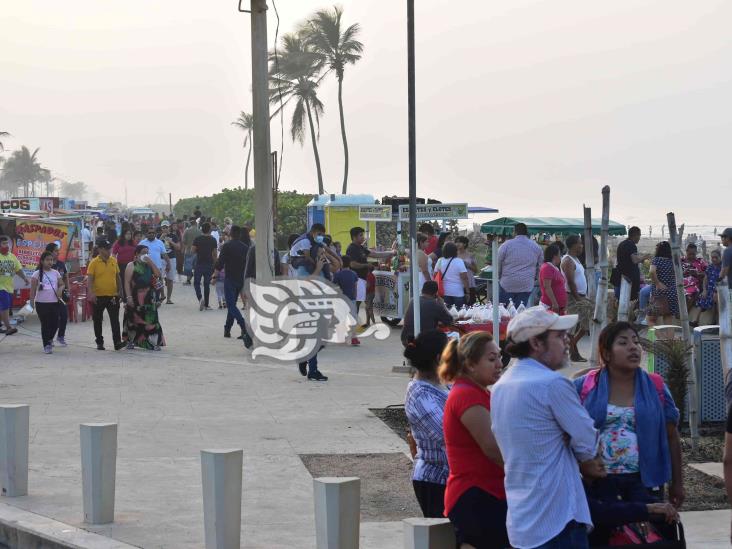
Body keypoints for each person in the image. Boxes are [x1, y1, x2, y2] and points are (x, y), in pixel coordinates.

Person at [491, 306, 606, 549]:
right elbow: (588, 442)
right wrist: (573, 444)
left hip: (523, 517)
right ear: (536, 343)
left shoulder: (502, 385)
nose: (567, 341)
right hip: (557, 518)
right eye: (558, 335)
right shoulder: (552, 383)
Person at [573, 322, 684, 523]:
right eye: (623, 343)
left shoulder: (655, 386)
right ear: (606, 354)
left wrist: (678, 482)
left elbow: (671, 436)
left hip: (642, 482)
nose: (633, 347)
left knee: (643, 537)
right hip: (596, 482)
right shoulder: (585, 386)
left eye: (636, 342)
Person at [440, 331, 509, 549]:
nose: (499, 364)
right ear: (470, 365)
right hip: (476, 494)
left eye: (499, 357)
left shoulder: (479, 392)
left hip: (488, 491)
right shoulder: (466, 394)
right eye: (492, 359)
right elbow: (492, 448)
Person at [403, 330, 450, 518]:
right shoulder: (420, 394)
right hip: (435, 481)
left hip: (450, 479)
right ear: (439, 358)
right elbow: (448, 435)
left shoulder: (444, 383)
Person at [123, 245, 165, 350]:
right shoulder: (131, 265)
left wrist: (150, 262)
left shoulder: (149, 265)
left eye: (147, 252)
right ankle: (131, 341)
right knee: (133, 319)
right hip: (135, 296)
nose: (145, 255)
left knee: (151, 320)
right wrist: (128, 297)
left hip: (149, 297)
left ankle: (153, 342)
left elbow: (158, 274)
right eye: (143, 252)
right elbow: (127, 282)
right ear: (136, 254)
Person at [214, 225, 250, 343]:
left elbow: (220, 263)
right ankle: (227, 329)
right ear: (239, 234)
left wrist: (214, 275)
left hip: (230, 279)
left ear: (230, 234)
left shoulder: (227, 246)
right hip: (241, 280)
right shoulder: (245, 248)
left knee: (230, 305)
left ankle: (243, 324)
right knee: (232, 304)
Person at [87, 240, 125, 351]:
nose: (110, 251)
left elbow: (117, 277)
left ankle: (117, 342)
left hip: (113, 296)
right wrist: (91, 293)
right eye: (107, 249)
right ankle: (99, 342)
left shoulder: (113, 261)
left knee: (115, 320)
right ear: (100, 250)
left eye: (110, 248)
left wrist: (121, 290)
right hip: (98, 296)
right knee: (97, 320)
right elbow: (90, 280)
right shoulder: (93, 263)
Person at [561, 234, 594, 362]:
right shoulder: (567, 260)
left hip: (581, 296)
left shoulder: (576, 259)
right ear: (573, 245)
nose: (582, 246)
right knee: (573, 326)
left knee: (585, 325)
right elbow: (570, 281)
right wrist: (577, 298)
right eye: (580, 243)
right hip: (573, 297)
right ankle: (573, 352)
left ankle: (571, 346)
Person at [345, 227, 393, 314]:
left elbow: (374, 254)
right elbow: (352, 264)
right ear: (354, 237)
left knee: (359, 301)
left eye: (362, 235)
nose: (363, 237)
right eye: (360, 235)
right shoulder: (352, 248)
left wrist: (391, 253)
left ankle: (354, 321)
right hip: (356, 278)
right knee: (357, 302)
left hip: (362, 278)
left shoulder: (361, 247)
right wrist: (366, 265)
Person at [496, 222, 543, 307]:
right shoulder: (536, 246)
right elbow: (540, 267)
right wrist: (535, 278)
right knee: (520, 311)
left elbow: (498, 264)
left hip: (507, 283)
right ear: (526, 232)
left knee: (504, 312)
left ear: (515, 232)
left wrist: (499, 276)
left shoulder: (506, 245)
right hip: (526, 284)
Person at [30, 251, 65, 354]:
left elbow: (62, 284)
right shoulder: (36, 274)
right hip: (41, 303)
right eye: (47, 260)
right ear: (42, 261)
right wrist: (31, 302)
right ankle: (47, 345)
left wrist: (60, 289)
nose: (50, 262)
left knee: (55, 323)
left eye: (51, 260)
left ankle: (49, 339)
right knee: (45, 324)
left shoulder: (56, 272)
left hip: (54, 302)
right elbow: (32, 290)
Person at [401, 281, 453, 346]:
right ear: (435, 293)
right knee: (445, 339)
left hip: (406, 339)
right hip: (423, 341)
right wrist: (442, 304)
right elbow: (450, 320)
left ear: (422, 290)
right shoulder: (435, 304)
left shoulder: (413, 300)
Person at [613, 226, 650, 302]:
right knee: (630, 301)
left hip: (620, 275)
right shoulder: (631, 245)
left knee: (620, 300)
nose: (639, 238)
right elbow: (635, 260)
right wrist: (644, 257)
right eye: (639, 235)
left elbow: (625, 260)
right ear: (635, 235)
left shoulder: (622, 244)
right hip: (628, 279)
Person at [648, 241, 678, 325]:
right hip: (672, 293)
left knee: (650, 319)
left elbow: (652, 271)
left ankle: (654, 337)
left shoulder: (656, 260)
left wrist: (657, 283)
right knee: (668, 319)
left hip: (659, 294)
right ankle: (669, 338)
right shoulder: (673, 261)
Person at [333, 255, 361, 346]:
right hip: (352, 299)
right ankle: (354, 337)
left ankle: (342, 337)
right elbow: (355, 287)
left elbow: (335, 288)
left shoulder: (337, 275)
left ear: (341, 263)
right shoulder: (354, 274)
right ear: (350, 264)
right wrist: (355, 298)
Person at [45, 243, 70, 346]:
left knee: (64, 315)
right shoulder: (45, 265)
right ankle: (49, 339)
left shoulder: (61, 264)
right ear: (50, 252)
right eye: (56, 251)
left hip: (61, 295)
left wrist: (68, 289)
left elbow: (66, 276)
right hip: (49, 296)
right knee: (52, 319)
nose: (58, 252)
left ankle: (60, 337)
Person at [434, 242, 469, 309]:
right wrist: (467, 292)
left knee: (446, 314)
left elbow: (435, 275)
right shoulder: (459, 261)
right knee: (459, 314)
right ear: (455, 251)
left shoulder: (440, 261)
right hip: (458, 292)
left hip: (444, 292)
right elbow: (464, 278)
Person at [139, 227, 170, 301]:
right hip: (145, 268)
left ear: (155, 234)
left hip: (157, 268)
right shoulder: (142, 243)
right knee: (146, 285)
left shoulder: (160, 242)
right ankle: (148, 299)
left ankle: (157, 299)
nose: (151, 234)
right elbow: (137, 254)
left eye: (153, 233)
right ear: (147, 234)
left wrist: (168, 263)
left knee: (158, 284)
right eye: (149, 233)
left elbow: (164, 254)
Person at [192, 222, 218, 311]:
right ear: (209, 230)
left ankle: (200, 299)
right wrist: (215, 265)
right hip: (209, 264)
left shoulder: (197, 239)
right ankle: (207, 304)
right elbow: (215, 254)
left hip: (199, 263)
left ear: (201, 229)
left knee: (196, 283)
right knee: (207, 284)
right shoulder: (213, 240)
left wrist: (199, 252)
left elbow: (193, 250)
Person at [695, 249, 722, 323]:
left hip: (719, 290)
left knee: (716, 302)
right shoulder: (710, 267)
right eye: (712, 257)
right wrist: (704, 290)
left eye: (716, 257)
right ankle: (696, 320)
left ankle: (716, 323)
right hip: (709, 290)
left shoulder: (723, 267)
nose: (714, 259)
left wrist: (717, 291)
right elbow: (705, 279)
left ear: (720, 257)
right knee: (702, 298)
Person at [539, 243, 567, 314]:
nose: (561, 257)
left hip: (558, 306)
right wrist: (554, 303)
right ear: (555, 256)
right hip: (550, 306)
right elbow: (547, 287)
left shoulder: (554, 267)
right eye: (559, 254)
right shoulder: (547, 267)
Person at [160, 221, 180, 304]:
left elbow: (178, 247)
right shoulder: (158, 236)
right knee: (159, 278)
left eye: (166, 227)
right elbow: (154, 246)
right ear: (161, 228)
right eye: (163, 227)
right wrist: (161, 238)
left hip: (171, 258)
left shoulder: (174, 236)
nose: (165, 229)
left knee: (170, 279)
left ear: (169, 228)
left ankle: (168, 299)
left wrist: (170, 241)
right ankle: (162, 296)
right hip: (161, 259)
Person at [112, 229, 137, 297]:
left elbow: (137, 253)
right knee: (123, 281)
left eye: (130, 234)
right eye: (127, 234)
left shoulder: (133, 243)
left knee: (132, 281)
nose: (128, 235)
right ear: (123, 235)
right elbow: (113, 254)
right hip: (121, 265)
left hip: (132, 265)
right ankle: (125, 297)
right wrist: (114, 264)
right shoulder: (118, 243)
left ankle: (132, 295)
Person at [455, 236, 478, 305]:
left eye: (460, 242)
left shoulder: (471, 255)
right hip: (458, 282)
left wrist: (467, 265)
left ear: (465, 244)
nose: (457, 244)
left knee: (470, 304)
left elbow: (476, 270)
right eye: (456, 242)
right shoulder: (454, 255)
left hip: (469, 281)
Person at [182, 220, 201, 285]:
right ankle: (197, 280)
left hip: (189, 250)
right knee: (197, 266)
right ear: (196, 224)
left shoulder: (187, 231)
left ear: (190, 224)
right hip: (197, 251)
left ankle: (188, 280)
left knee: (188, 266)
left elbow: (183, 241)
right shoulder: (200, 231)